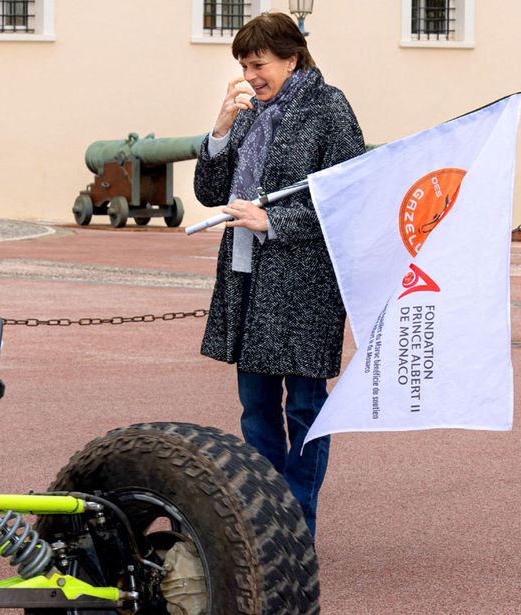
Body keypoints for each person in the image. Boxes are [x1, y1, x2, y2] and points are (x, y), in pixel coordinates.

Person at [193, 12, 365, 537]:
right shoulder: (247, 113)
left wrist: (274, 221)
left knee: (307, 411)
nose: (250, 74)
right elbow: (209, 193)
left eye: (259, 63)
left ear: (292, 59)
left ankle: (297, 524)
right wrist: (219, 131)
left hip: (304, 284)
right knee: (256, 412)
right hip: (247, 278)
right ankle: (264, 524)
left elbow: (350, 198)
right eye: (244, 65)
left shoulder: (329, 107)